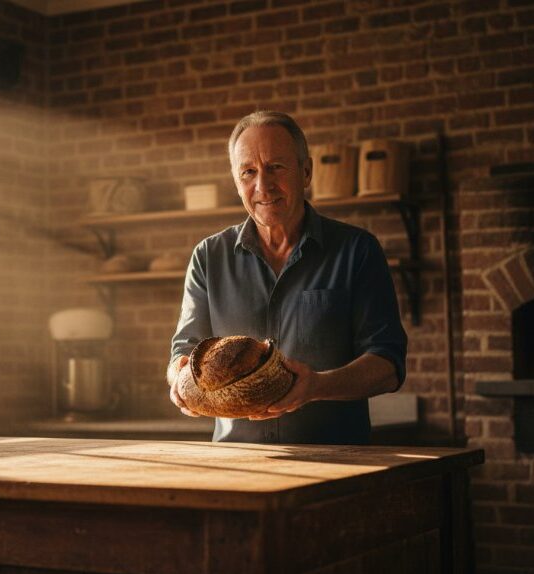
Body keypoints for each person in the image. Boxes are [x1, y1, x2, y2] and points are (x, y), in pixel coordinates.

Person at [167, 111, 407, 445]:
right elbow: (183, 351)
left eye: (276, 167)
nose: (262, 186)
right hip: (237, 463)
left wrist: (318, 386)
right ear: (236, 182)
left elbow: (388, 365)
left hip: (336, 463)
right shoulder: (208, 257)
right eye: (248, 172)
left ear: (305, 171)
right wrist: (178, 380)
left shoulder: (357, 251)